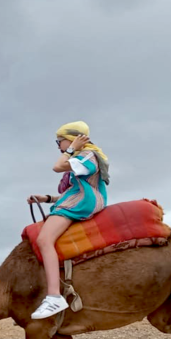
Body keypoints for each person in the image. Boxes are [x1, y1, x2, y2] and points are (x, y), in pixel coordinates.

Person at [28, 121, 110, 320]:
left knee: (44, 240)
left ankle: (54, 296)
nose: (58, 146)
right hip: (79, 200)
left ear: (72, 139)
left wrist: (72, 149)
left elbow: (57, 167)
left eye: (60, 141)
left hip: (81, 203)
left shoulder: (87, 155)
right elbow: (73, 191)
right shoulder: (85, 157)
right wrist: (47, 199)